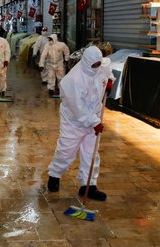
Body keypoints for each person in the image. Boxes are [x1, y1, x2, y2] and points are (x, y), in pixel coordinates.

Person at [46, 46, 113, 201]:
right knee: (66, 150)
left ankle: (88, 186)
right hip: (74, 120)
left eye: (99, 64)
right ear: (87, 62)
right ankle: (54, 175)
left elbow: (107, 68)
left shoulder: (102, 65)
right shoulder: (73, 80)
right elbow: (79, 109)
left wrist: (110, 80)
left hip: (94, 115)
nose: (97, 67)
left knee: (91, 152)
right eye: (94, 65)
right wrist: (94, 122)